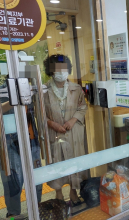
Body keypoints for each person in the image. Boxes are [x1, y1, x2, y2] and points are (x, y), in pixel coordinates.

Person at [43, 54, 88, 205]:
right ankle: (59, 193)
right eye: (57, 69)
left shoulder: (76, 88)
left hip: (73, 131)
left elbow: (82, 107)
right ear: (51, 71)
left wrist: (73, 119)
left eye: (64, 69)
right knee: (57, 161)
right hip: (54, 132)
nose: (61, 72)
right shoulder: (43, 91)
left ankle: (74, 192)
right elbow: (39, 114)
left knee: (74, 161)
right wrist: (51, 123)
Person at [0, 76, 42, 218]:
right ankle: (13, 214)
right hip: (11, 143)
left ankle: (37, 209)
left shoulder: (30, 88)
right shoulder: (0, 91)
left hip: (32, 140)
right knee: (14, 182)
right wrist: (15, 100)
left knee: (37, 179)